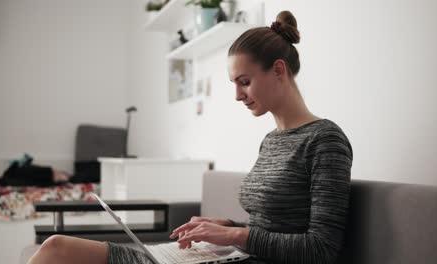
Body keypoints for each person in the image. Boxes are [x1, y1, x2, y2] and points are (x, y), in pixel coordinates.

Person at [27, 10, 353, 264]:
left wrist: (235, 234)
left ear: (278, 71)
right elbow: (269, 224)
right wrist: (223, 225)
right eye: (233, 84)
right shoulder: (272, 139)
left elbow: (321, 249)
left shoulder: (325, 141)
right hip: (234, 256)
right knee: (56, 247)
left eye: (244, 81)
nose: (238, 95)